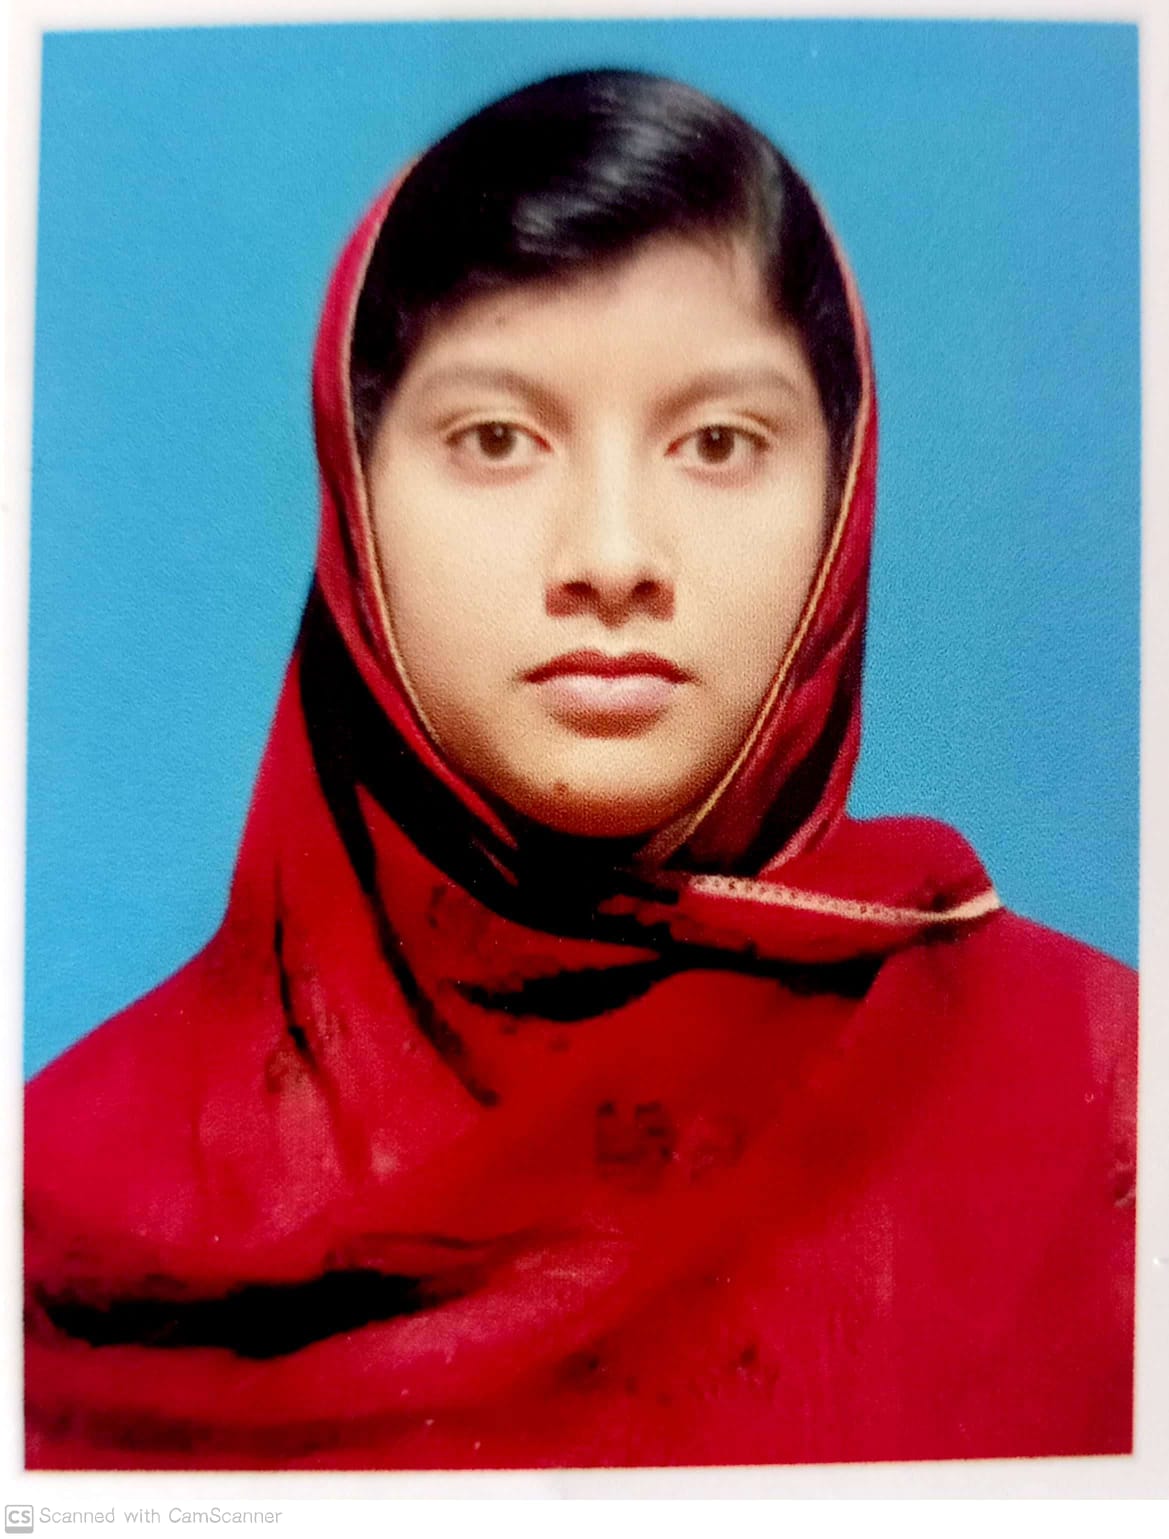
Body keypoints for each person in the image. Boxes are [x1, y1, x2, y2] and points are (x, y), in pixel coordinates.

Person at [23, 69, 1136, 1471]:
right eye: (497, 440)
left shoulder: (1099, 1103)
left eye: (718, 443)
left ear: (839, 490)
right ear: (356, 492)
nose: (612, 558)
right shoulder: (59, 1193)